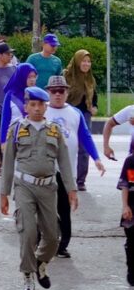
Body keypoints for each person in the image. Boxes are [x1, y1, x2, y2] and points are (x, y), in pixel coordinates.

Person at [1, 86, 77, 290]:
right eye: (32, 105)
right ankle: (28, 280)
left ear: (46, 107)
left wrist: (71, 189)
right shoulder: (17, 128)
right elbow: (7, 163)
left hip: (48, 188)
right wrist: (4, 193)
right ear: (26, 106)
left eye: (40, 105)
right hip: (24, 186)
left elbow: (64, 161)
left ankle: (41, 263)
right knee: (28, 232)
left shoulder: (54, 129)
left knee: (53, 237)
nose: (36, 109)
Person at [44, 75, 104, 258]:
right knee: (46, 209)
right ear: (48, 93)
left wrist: (96, 158)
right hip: (45, 169)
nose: (57, 95)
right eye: (53, 91)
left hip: (66, 170)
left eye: (61, 91)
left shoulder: (74, 113)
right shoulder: (42, 111)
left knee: (64, 208)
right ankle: (46, 241)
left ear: (67, 92)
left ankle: (63, 244)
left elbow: (85, 137)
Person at [63, 49, 98, 190]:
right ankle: (64, 177)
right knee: (66, 144)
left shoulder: (90, 78)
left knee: (84, 147)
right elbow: (60, 92)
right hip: (68, 112)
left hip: (84, 114)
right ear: (77, 61)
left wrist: (94, 106)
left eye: (88, 61)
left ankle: (80, 181)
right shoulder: (67, 75)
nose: (86, 64)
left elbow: (94, 96)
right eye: (83, 61)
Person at [118, 149, 134, 286]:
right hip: (132, 209)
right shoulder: (131, 161)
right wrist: (125, 206)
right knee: (132, 242)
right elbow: (126, 185)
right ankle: (131, 270)